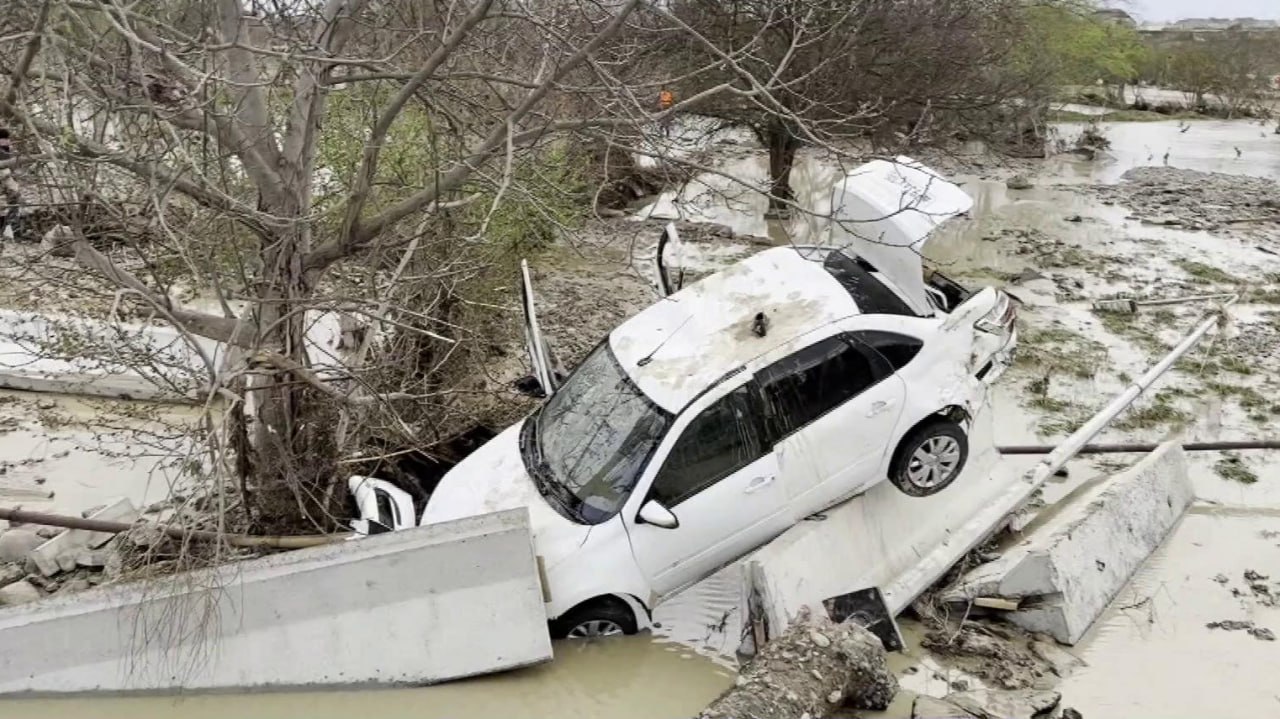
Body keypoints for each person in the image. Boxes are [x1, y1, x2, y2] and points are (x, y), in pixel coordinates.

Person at [0, 129, 20, 240]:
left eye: (8, 139)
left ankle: (10, 229)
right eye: (5, 139)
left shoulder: (7, 151)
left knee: (11, 200)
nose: (7, 141)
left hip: (6, 180)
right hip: (4, 179)